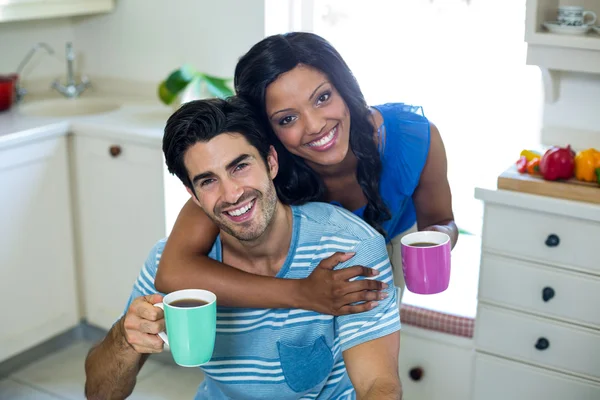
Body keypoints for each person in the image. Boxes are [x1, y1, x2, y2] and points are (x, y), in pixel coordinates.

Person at [84, 98, 402, 400]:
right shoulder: (165, 264)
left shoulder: (349, 248)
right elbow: (99, 393)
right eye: (208, 181)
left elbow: (378, 384)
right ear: (193, 195)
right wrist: (123, 339)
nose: (232, 193)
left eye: (239, 167)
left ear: (271, 162)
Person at [154, 31, 457, 311]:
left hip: (394, 242)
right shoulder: (253, 175)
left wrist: (434, 240)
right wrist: (301, 293)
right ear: (267, 132)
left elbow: (442, 221)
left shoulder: (414, 139)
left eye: (323, 98)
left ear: (344, 88)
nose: (315, 127)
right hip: (306, 276)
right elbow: (173, 271)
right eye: (287, 119)